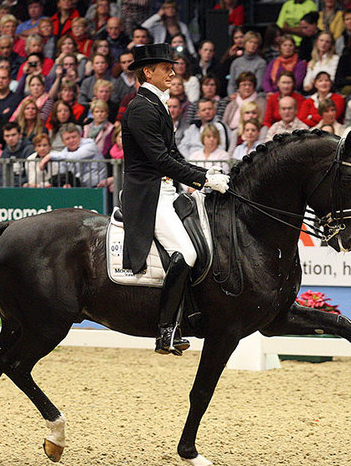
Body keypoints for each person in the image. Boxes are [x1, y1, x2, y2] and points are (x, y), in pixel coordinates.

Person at [120, 43, 229, 355]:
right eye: (164, 67)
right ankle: (166, 329)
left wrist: (203, 174)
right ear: (147, 72)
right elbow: (159, 159)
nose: (172, 72)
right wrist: (203, 178)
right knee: (186, 252)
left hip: (167, 190)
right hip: (148, 194)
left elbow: (173, 155)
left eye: (172, 66)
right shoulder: (141, 108)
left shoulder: (158, 105)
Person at [40, 122, 105, 187]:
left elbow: (76, 156)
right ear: (63, 141)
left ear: (80, 136)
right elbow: (63, 173)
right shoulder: (63, 153)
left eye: (74, 137)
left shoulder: (90, 144)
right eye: (67, 139)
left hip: (97, 187)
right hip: (79, 187)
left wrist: (50, 156)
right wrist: (65, 184)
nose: (71, 140)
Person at [227, 31, 267, 95]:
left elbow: (259, 85)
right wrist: (232, 95)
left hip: (254, 95)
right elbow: (231, 84)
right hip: (236, 96)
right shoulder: (236, 62)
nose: (252, 45)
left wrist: (243, 94)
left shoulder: (261, 63)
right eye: (250, 42)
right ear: (245, 43)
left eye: (255, 43)